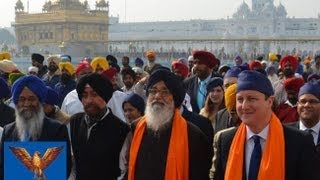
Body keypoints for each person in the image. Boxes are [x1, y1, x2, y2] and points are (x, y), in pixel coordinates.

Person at [213, 70, 319, 180]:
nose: (244, 106)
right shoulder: (226, 140)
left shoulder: (299, 142)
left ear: (269, 101)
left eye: (251, 99)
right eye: (240, 99)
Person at [128, 69, 211, 180]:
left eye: (165, 92)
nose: (157, 96)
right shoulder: (136, 127)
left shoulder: (193, 135)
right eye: (153, 91)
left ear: (174, 98)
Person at [0, 75, 71, 179]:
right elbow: (3, 169)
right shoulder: (8, 131)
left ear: (40, 101)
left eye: (32, 99)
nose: (27, 103)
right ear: (16, 102)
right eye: (22, 99)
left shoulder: (56, 130)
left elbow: (64, 169)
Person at [69, 73, 129, 180]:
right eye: (84, 95)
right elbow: (74, 162)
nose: (89, 101)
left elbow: (123, 171)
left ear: (105, 96)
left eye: (95, 94)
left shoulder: (121, 129)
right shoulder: (75, 121)